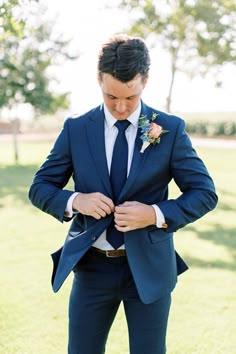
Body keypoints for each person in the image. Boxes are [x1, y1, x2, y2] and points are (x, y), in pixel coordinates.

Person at [29, 34, 218, 354]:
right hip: (92, 268)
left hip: (149, 269)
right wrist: (76, 201)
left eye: (130, 98)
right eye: (110, 96)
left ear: (145, 81)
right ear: (98, 80)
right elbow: (40, 187)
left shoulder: (168, 129)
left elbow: (204, 192)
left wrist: (155, 214)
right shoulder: (77, 128)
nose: (119, 107)